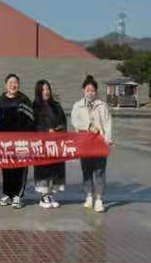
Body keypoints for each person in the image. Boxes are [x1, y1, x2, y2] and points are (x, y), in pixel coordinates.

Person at [71, 75, 113, 213]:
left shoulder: (102, 105)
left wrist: (108, 138)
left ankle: (99, 199)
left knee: (100, 171)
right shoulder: (78, 105)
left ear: (96, 92)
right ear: (83, 91)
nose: (90, 93)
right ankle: (89, 196)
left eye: (93, 90)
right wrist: (88, 126)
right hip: (85, 143)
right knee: (87, 170)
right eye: (88, 90)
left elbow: (108, 123)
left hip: (99, 143)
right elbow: (74, 121)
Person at [0, 74, 35, 209]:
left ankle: (18, 196)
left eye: (15, 82)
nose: (13, 85)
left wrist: (26, 138)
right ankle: (8, 194)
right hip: (4, 143)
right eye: (10, 82)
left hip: (21, 142)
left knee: (20, 168)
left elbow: (30, 120)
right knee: (6, 168)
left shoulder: (24, 100)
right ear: (5, 85)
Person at [32, 80, 67, 209]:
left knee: (54, 169)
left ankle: (50, 194)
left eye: (47, 89)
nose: (46, 92)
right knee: (43, 169)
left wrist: (58, 131)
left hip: (56, 144)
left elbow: (63, 122)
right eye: (43, 89)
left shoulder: (56, 105)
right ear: (38, 91)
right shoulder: (34, 107)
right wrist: (46, 131)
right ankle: (44, 196)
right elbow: (33, 125)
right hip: (41, 144)